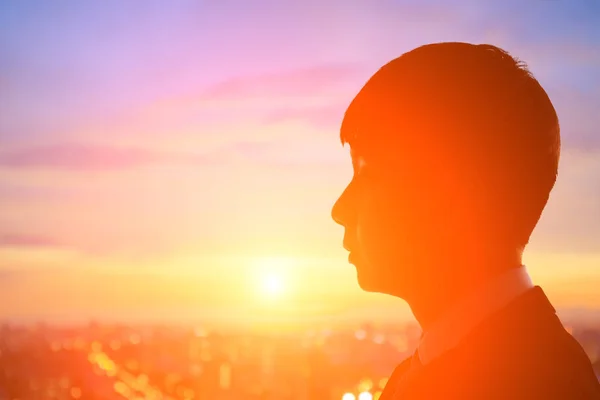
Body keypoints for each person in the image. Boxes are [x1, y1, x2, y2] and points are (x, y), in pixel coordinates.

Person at [331, 42, 600, 399]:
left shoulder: (530, 384)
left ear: (453, 189)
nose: (339, 208)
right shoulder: (436, 370)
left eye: (367, 173)